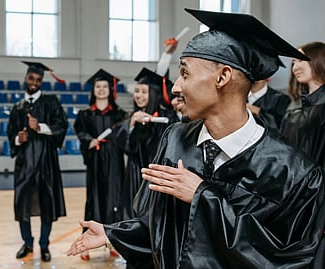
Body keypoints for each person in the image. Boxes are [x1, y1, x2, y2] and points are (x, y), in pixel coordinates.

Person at [67, 9, 325, 269]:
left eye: (185, 73)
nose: (176, 87)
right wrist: (114, 235)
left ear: (223, 77)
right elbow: (158, 227)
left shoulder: (293, 174)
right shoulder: (175, 140)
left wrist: (203, 197)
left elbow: (286, 261)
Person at [6, 61, 68, 262]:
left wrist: (40, 127)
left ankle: (44, 244)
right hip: (24, 165)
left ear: (42, 81)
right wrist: (18, 138)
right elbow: (10, 134)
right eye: (31, 79)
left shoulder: (51, 102)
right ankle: (27, 243)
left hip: (46, 164)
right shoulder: (17, 108)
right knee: (22, 205)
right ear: (25, 79)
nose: (34, 83)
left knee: (46, 206)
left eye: (38, 80)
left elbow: (62, 126)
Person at [73, 69, 128, 261]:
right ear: (93, 90)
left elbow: (124, 137)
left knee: (114, 201)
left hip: (114, 162)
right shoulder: (86, 115)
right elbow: (79, 131)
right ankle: (85, 243)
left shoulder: (120, 115)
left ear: (110, 90)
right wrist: (89, 140)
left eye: (105, 86)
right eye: (98, 86)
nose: (102, 89)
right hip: (96, 161)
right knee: (94, 201)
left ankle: (111, 241)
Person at [121, 67, 179, 221]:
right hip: (135, 174)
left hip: (157, 175)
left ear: (153, 94)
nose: (138, 95)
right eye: (137, 91)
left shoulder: (167, 117)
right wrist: (132, 123)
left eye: (143, 92)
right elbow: (126, 147)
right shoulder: (132, 117)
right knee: (133, 215)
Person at [280, 41, 325, 168]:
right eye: (294, 62)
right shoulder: (295, 104)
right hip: (293, 178)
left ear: (318, 59)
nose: (295, 67)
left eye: (300, 61)